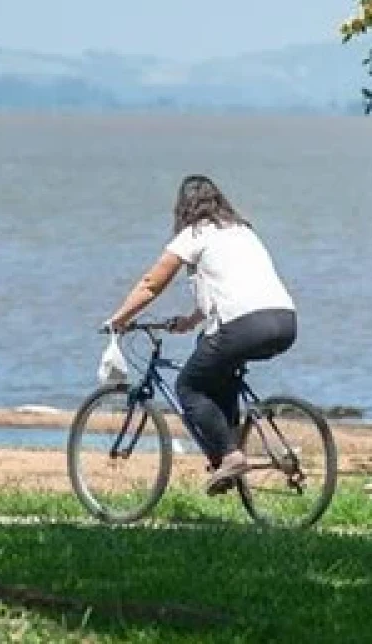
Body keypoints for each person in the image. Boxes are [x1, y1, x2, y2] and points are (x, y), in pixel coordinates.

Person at [103, 174, 296, 494]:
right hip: (285, 321)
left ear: (183, 209)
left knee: (189, 386)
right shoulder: (243, 231)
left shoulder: (194, 234)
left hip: (243, 326)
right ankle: (226, 454)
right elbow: (232, 287)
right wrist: (192, 319)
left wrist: (118, 319)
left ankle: (231, 456)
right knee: (217, 369)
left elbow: (151, 284)